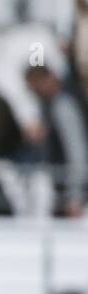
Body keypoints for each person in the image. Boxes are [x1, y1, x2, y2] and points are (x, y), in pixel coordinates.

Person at [24, 65, 88, 216]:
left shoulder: (63, 106)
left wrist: (75, 196)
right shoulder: (50, 106)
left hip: (74, 194)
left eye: (37, 86)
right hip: (63, 190)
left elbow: (77, 152)